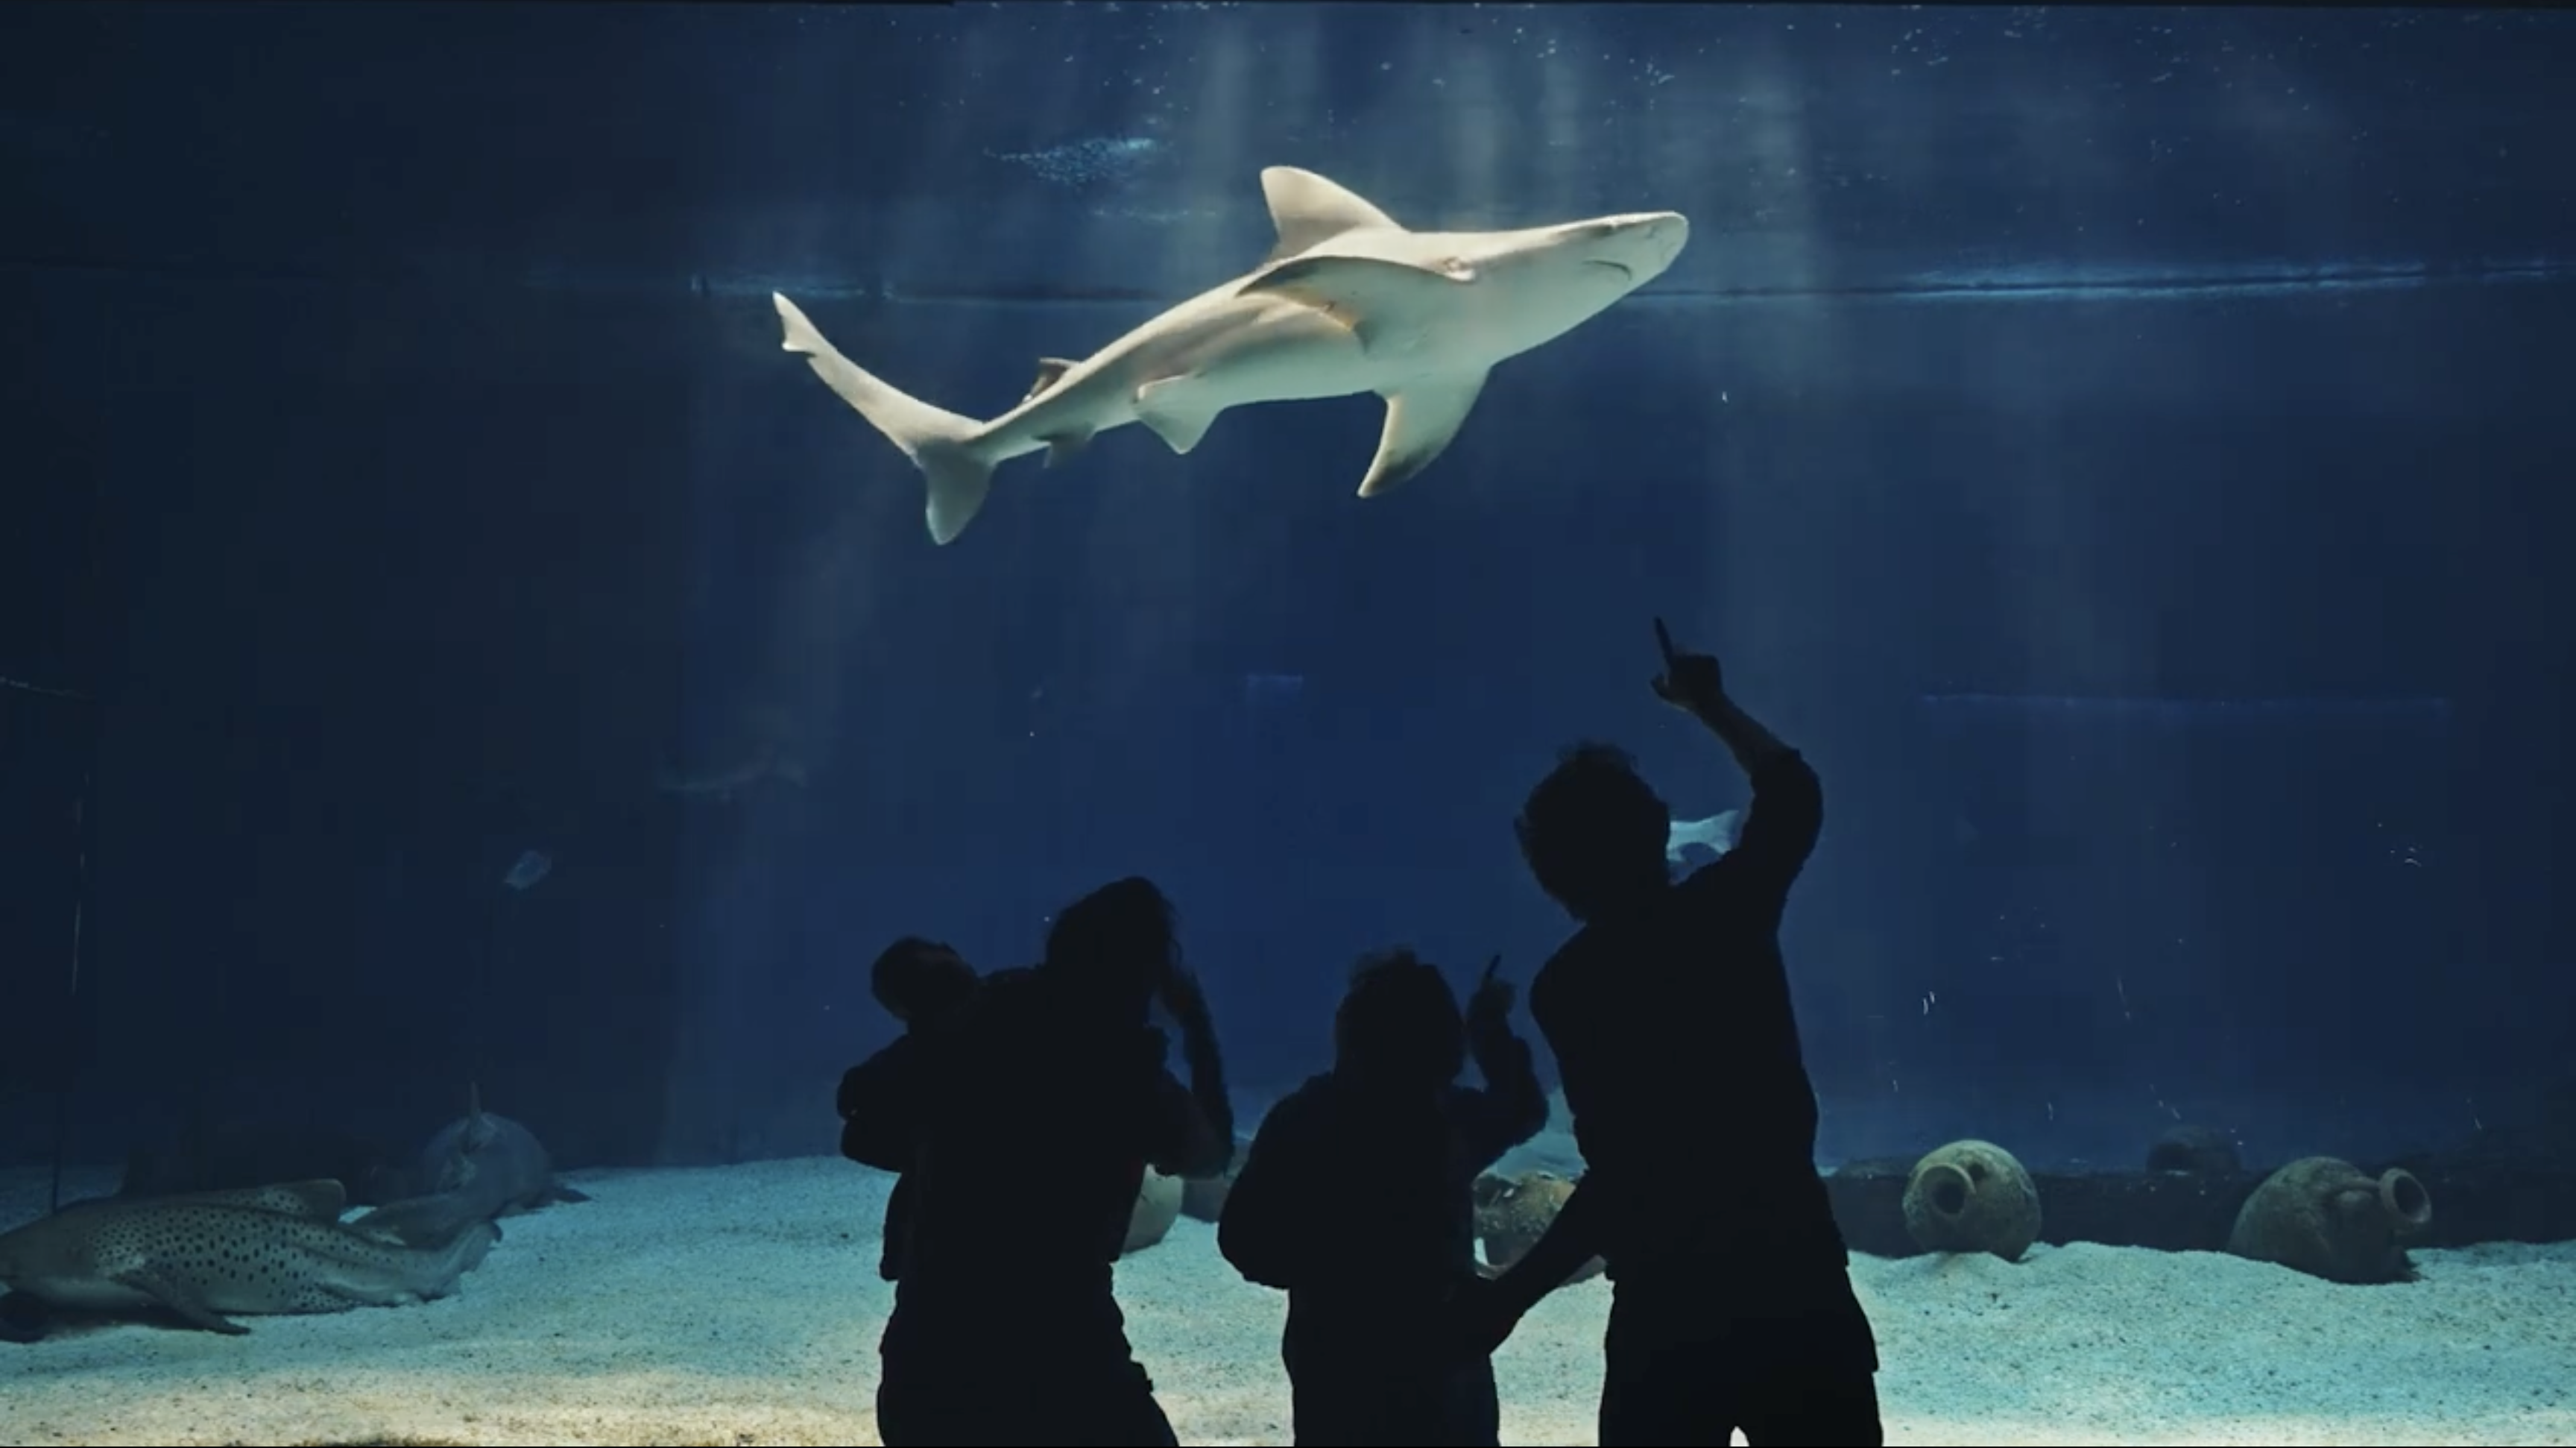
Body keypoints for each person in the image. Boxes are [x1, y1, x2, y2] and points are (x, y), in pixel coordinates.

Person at [1462, 617, 1884, 1446]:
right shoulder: (1728, 912)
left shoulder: (1571, 988)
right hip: (1792, 1281)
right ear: (1660, 826)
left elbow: (1625, 1177)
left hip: (1668, 1309)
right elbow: (1795, 795)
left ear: (1548, 871)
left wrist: (1510, 1296)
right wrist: (1712, 704)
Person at [838, 877, 1234, 1447]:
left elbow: (858, 1103)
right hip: (1066, 1352)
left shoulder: (978, 1018)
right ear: (1143, 973)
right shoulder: (1122, 1066)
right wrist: (1197, 1027)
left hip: (932, 1351)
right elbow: (1210, 1155)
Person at [1219, 949, 1548, 1447]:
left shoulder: (1303, 1118)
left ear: (1347, 1031)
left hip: (1335, 1360)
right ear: (1445, 1039)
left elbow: (1244, 1242)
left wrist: (1327, 1268)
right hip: (1444, 1357)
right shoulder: (1451, 1120)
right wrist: (1489, 1026)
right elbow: (1523, 1108)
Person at [837, 936, 981, 1282]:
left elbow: (854, 1118)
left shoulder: (896, 1068)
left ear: (897, 1008)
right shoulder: (1025, 1029)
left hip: (935, 1232)